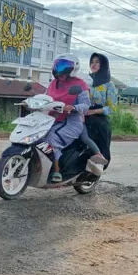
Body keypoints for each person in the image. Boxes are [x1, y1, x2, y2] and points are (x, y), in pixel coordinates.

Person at [44, 54, 91, 183]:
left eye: (64, 66)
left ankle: (56, 171)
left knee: (52, 137)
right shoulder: (53, 83)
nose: (60, 71)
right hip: (52, 119)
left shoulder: (80, 84)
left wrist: (73, 107)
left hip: (72, 122)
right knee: (36, 135)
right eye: (58, 66)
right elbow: (45, 98)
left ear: (73, 68)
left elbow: (86, 105)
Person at [85, 53, 118, 169]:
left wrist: (93, 112)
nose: (93, 64)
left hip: (98, 118)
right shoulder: (86, 81)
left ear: (103, 65)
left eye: (97, 62)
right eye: (92, 62)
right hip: (82, 114)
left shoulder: (109, 85)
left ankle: (97, 163)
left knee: (98, 139)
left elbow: (112, 108)